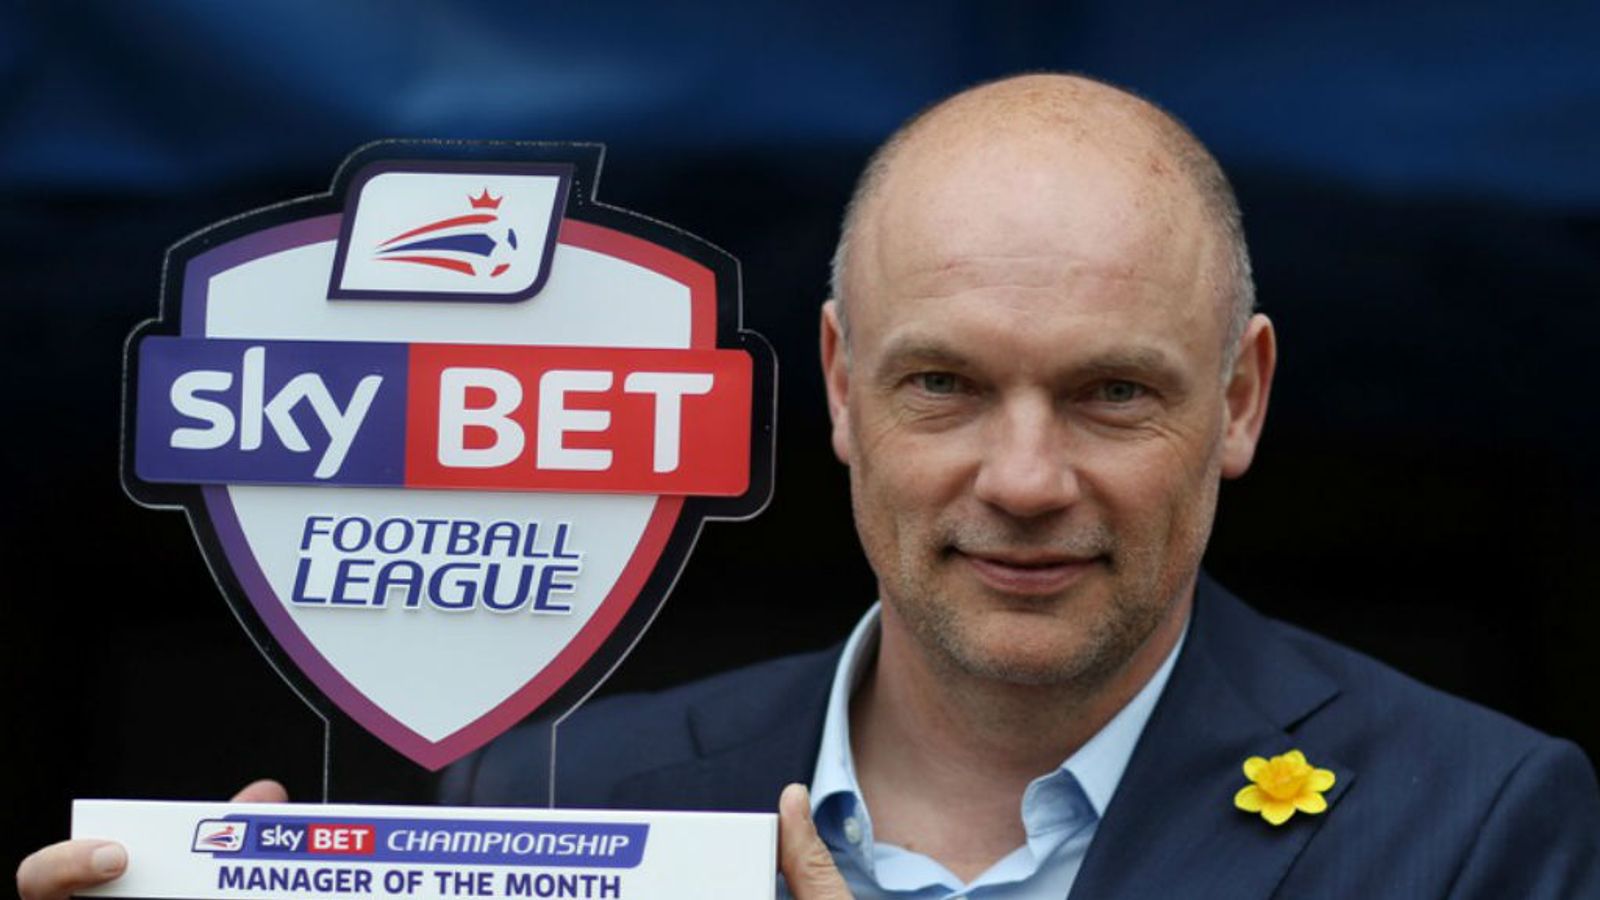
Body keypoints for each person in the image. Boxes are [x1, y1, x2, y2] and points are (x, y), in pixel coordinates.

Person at [19, 74, 1600, 900]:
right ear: (839, 387)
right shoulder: (552, 799)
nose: (1025, 478)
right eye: (945, 385)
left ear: (1240, 399)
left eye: (1114, 394)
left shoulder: (1477, 825)